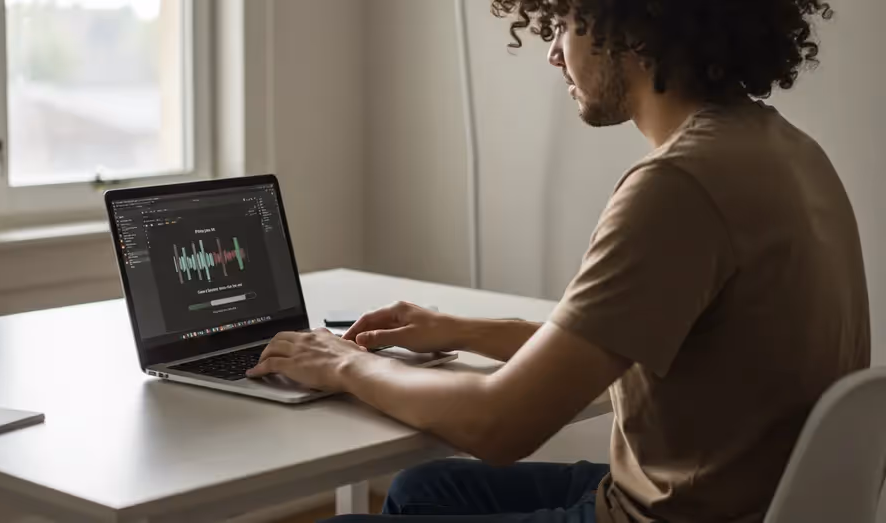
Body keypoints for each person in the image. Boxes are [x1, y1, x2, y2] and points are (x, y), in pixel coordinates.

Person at [248, 0, 871, 521]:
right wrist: (458, 330)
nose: (553, 51)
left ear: (632, 27)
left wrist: (342, 364)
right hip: (739, 500)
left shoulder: (678, 186)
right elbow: (610, 349)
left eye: (566, 23)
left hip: (669, 514)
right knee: (422, 489)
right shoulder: (786, 150)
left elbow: (500, 426)